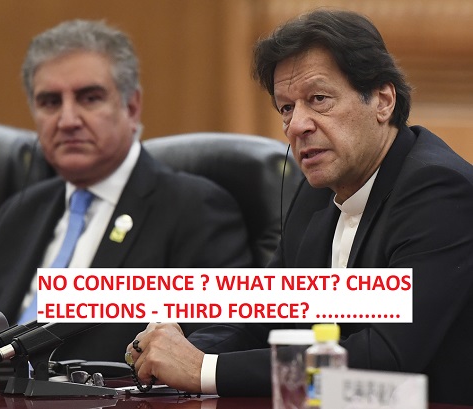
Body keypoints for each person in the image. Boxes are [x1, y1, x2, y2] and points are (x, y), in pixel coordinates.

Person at [125, 9, 473, 405]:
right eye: (286, 108)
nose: (296, 126)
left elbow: (385, 356)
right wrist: (173, 352)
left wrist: (204, 369)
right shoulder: (317, 191)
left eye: (318, 99)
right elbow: (263, 318)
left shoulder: (438, 191)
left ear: (382, 100)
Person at [0, 19, 252, 362]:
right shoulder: (20, 211)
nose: (67, 120)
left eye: (89, 98)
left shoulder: (194, 208)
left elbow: (221, 335)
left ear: (131, 107)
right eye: (50, 102)